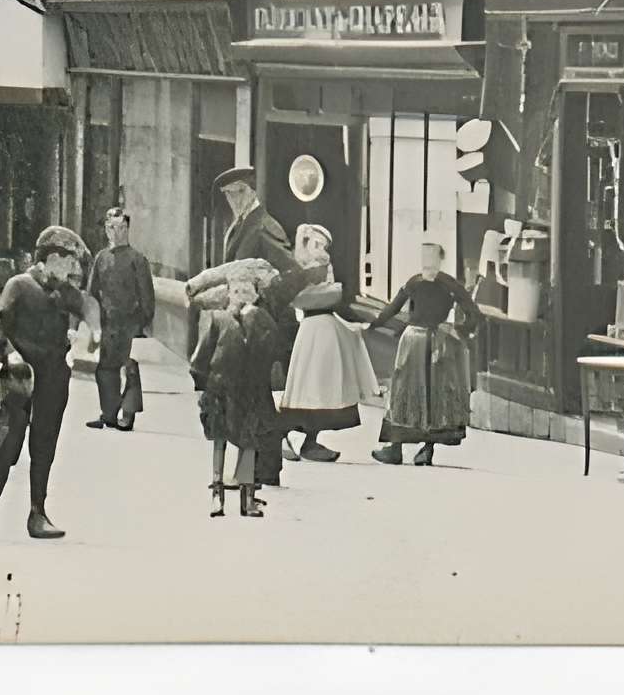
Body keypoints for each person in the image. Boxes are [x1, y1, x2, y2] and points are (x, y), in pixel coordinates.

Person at [0, 226, 95, 546]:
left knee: (44, 447)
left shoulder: (64, 291)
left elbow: (88, 305)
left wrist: (90, 331)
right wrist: (8, 355)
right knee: (7, 445)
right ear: (53, 258)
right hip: (21, 378)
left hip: (53, 377)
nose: (73, 269)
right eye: (69, 262)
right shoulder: (19, 286)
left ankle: (37, 514)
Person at [187, 165, 299, 490]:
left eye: (235, 193)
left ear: (249, 192)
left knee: (256, 393)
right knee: (254, 394)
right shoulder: (241, 224)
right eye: (227, 196)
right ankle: (265, 466)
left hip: (260, 324)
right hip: (243, 322)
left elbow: (289, 273)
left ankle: (264, 466)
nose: (231, 201)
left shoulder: (265, 227)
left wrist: (261, 304)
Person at [371, 237, 480, 468]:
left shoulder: (430, 283)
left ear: (440, 259)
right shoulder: (442, 284)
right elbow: (473, 314)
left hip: (422, 341)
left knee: (411, 392)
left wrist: (374, 323)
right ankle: (414, 448)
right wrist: (458, 331)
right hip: (428, 340)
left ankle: (404, 447)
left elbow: (393, 307)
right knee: (425, 392)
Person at [277, 224, 380, 463]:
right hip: (315, 330)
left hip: (323, 330)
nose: (322, 250)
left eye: (324, 246)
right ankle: (285, 435)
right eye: (317, 244)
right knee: (310, 387)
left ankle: (309, 440)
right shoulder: (306, 271)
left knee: (318, 387)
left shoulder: (312, 270)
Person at [190, 267, 282, 519]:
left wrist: (254, 318)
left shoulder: (261, 321)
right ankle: (216, 492)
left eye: (247, 291)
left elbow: (271, 349)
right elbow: (201, 356)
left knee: (248, 443)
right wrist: (201, 385)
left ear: (255, 295)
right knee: (219, 439)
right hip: (219, 389)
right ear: (227, 294)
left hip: (249, 391)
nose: (241, 296)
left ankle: (247, 496)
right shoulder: (218, 320)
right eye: (236, 290)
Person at [86, 206, 155, 431]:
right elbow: (92, 293)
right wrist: (93, 322)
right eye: (112, 228)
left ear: (128, 229)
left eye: (122, 227)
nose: (117, 232)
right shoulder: (101, 258)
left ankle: (128, 414)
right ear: (106, 230)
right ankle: (108, 414)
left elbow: (147, 298)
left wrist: (139, 325)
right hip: (108, 323)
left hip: (129, 324)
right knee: (105, 369)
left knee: (129, 368)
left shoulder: (138, 260)